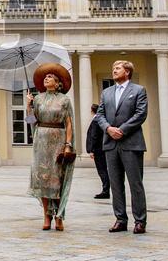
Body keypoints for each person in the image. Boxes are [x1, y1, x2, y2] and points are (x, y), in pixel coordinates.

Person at [94, 60, 148, 234]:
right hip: (110, 143)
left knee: (135, 183)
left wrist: (122, 130)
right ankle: (120, 219)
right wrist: (108, 129)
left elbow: (141, 114)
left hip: (131, 143)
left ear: (127, 72)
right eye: (113, 68)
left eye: (117, 68)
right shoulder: (106, 92)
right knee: (116, 184)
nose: (114, 71)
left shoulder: (138, 90)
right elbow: (100, 114)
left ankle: (140, 220)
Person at [26, 64, 75, 232]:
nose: (46, 79)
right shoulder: (38, 99)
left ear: (57, 82)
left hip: (58, 139)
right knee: (43, 179)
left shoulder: (64, 100)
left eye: (50, 77)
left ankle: (59, 216)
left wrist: (68, 144)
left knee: (58, 179)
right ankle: (46, 215)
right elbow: (31, 122)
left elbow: (68, 123)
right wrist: (29, 107)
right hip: (41, 141)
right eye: (45, 77)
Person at [85, 105, 110, 199]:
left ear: (92, 111)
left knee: (102, 170)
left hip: (98, 150)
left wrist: (92, 150)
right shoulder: (100, 120)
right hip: (102, 149)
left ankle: (105, 190)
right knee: (104, 170)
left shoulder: (96, 121)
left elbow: (94, 136)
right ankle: (106, 189)